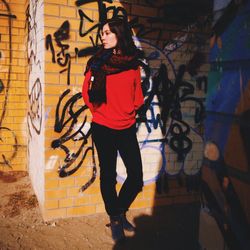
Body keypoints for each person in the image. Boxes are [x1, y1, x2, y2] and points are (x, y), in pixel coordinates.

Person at [82, 18, 144, 242]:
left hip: (126, 127)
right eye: (102, 33)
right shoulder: (96, 62)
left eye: (108, 32)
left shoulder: (133, 63)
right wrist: (99, 112)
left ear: (120, 34)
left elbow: (138, 95)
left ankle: (118, 211)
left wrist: (131, 110)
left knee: (136, 177)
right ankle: (116, 219)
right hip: (103, 128)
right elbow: (86, 93)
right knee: (108, 175)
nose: (103, 36)